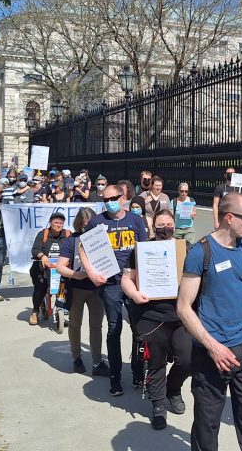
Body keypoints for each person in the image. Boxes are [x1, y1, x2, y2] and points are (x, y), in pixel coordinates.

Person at [176, 192, 242, 451]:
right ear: (229, 218)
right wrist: (212, 346)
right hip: (212, 354)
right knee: (207, 426)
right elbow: (183, 307)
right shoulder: (201, 252)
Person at [122, 210, 192, 430]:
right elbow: (126, 278)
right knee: (156, 362)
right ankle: (158, 405)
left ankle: (173, 388)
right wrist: (134, 294)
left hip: (181, 316)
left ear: (174, 225)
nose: (164, 228)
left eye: (168, 224)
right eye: (160, 225)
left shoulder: (186, 248)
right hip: (151, 315)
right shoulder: (142, 250)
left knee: (187, 359)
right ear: (153, 227)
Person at [89, 184, 150, 395]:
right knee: (114, 329)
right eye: (105, 199)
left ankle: (137, 372)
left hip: (133, 282)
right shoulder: (97, 222)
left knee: (138, 329)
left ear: (122, 197)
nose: (110, 202)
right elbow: (83, 249)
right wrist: (91, 273)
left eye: (113, 198)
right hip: (110, 284)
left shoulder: (135, 220)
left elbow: (144, 249)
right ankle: (115, 377)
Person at [55, 208, 108, 375]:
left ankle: (97, 362)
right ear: (80, 223)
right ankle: (76, 357)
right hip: (76, 288)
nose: (88, 226)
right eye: (86, 223)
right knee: (75, 324)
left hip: (97, 289)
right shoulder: (71, 241)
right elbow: (60, 267)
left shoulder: (102, 240)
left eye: (91, 223)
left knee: (96, 326)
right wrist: (76, 275)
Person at [29, 212, 70, 326]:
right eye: (56, 222)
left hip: (61, 269)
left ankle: (62, 309)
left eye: (60, 223)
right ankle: (35, 311)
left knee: (65, 287)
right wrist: (42, 256)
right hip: (42, 269)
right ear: (50, 223)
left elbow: (73, 249)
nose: (58, 225)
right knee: (40, 289)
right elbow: (35, 249)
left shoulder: (67, 234)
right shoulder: (43, 234)